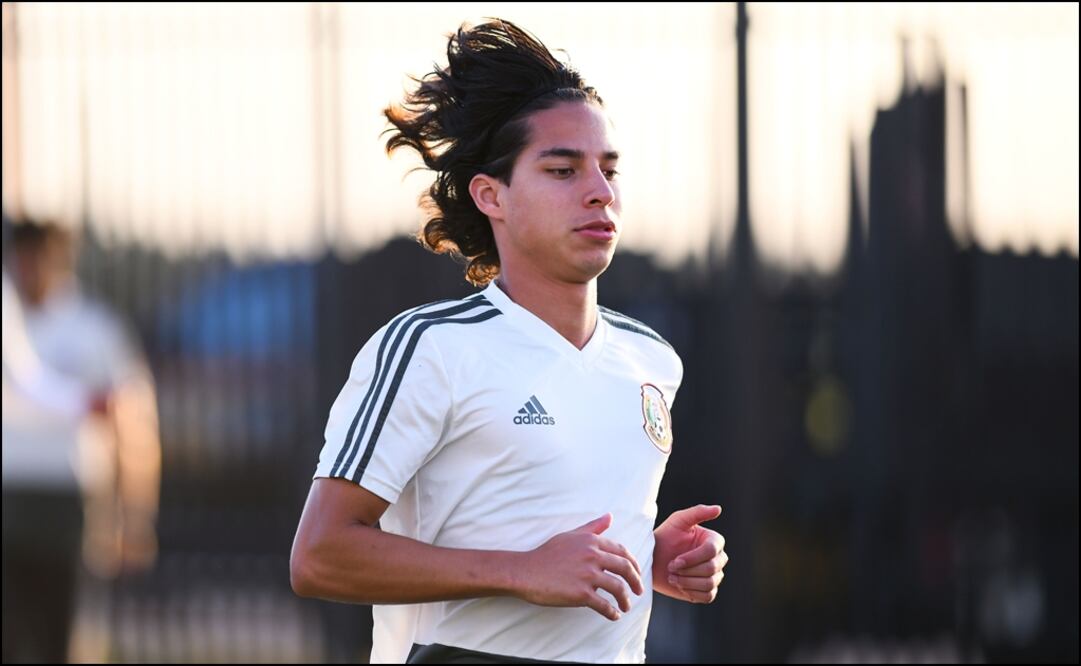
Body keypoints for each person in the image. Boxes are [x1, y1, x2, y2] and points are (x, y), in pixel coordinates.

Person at [291, 19, 728, 663]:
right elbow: (321, 556)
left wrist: (648, 557)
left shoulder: (652, 360)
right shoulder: (430, 348)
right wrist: (523, 570)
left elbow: (562, 534)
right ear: (491, 195)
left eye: (608, 170)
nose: (599, 193)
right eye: (562, 169)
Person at [2, 219, 161, 663]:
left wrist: (135, 515)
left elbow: (134, 426)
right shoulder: (9, 319)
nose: (27, 268)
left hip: (65, 507)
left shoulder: (96, 328)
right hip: (8, 503)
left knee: (64, 639)